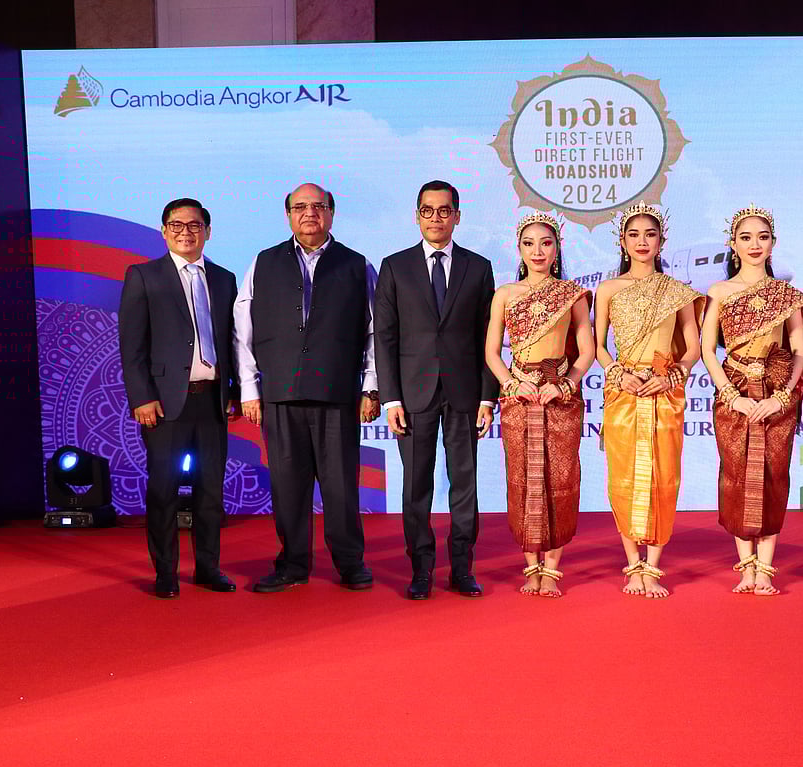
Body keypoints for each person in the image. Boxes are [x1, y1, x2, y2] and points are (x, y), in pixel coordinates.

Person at [234, 183, 381, 592]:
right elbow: (241, 330)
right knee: (288, 486)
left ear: (332, 213)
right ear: (288, 215)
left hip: (337, 394)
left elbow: (374, 332)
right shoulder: (263, 263)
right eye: (300, 207)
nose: (309, 214)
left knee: (340, 486)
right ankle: (293, 565)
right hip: (280, 394)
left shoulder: (357, 265)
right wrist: (249, 388)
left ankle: (350, 563)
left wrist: (370, 388)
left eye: (318, 206)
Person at [375, 180, 497, 600]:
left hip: (465, 393)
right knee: (416, 486)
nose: (436, 218)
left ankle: (462, 568)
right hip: (412, 396)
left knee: (465, 483)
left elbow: (488, 339)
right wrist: (390, 397)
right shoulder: (394, 266)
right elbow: (384, 338)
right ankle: (421, 570)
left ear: (457, 216)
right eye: (428, 210)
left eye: (444, 211)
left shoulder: (479, 268)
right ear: (416, 215)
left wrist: (487, 396)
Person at [118, 198, 238, 598]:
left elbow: (232, 343)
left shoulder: (224, 279)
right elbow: (131, 347)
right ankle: (166, 573)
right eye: (177, 225)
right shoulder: (143, 276)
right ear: (164, 230)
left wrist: (233, 390)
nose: (186, 232)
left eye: (194, 225)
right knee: (164, 490)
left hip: (212, 400)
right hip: (165, 403)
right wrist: (142, 398)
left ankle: (208, 568)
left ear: (207, 230)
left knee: (210, 491)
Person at [700, 205, 803, 595]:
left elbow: (799, 349)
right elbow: (707, 350)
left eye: (761, 237)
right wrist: (731, 395)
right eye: (745, 237)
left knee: (772, 476)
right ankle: (745, 567)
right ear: (733, 244)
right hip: (735, 398)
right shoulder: (719, 291)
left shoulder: (785, 295)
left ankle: (765, 568)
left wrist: (783, 396)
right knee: (735, 477)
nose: (754, 244)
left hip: (776, 400)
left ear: (772, 244)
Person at [594, 202, 704, 598]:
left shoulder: (677, 292)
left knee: (664, 477)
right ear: (622, 242)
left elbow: (692, 349)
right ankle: (632, 564)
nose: (642, 242)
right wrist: (619, 373)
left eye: (650, 234)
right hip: (623, 392)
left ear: (662, 241)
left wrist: (671, 375)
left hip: (664, 393)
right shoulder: (607, 289)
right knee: (622, 477)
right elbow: (598, 346)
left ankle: (653, 567)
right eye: (634, 235)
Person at [485, 212, 593, 597]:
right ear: (518, 248)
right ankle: (531, 565)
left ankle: (553, 568)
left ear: (557, 248)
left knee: (561, 479)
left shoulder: (572, 294)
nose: (537, 251)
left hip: (558, 398)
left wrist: (565, 384)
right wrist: (512, 383)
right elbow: (492, 352)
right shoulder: (505, 294)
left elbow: (587, 350)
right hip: (519, 398)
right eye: (529, 243)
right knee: (523, 480)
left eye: (546, 243)